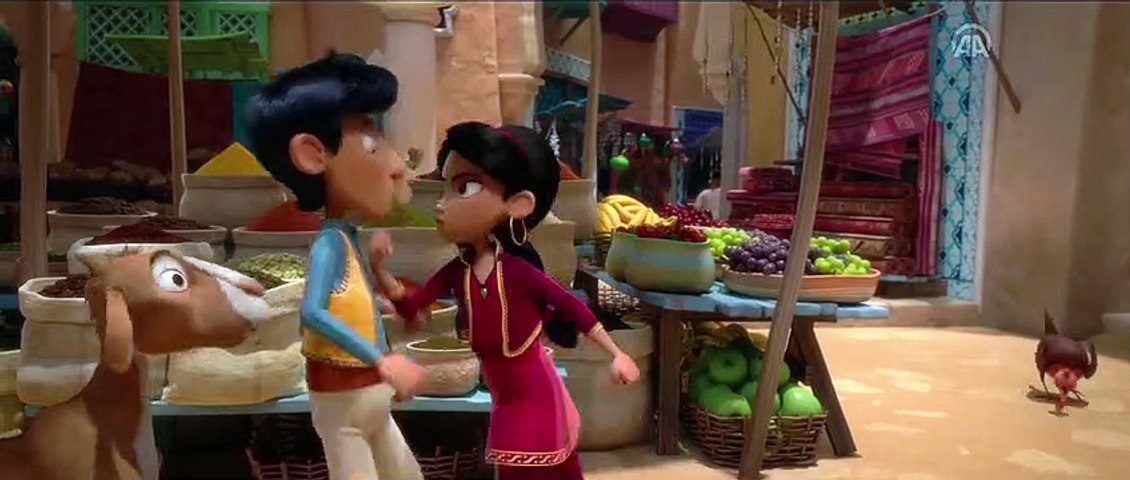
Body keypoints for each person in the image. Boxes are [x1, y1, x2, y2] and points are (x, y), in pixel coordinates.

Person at [379, 122, 641, 480]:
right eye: (445, 186)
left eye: (465, 187)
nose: (441, 203)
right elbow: (412, 305)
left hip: (535, 396)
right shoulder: (458, 272)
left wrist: (617, 354)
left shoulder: (519, 272)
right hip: (504, 400)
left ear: (518, 204)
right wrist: (378, 270)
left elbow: (572, 307)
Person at [245, 51, 425, 480]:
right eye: (371, 143)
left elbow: (353, 304)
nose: (394, 163)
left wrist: (379, 279)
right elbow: (314, 313)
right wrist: (380, 360)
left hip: (372, 398)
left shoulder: (348, 239)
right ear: (313, 154)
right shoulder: (328, 244)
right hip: (344, 406)